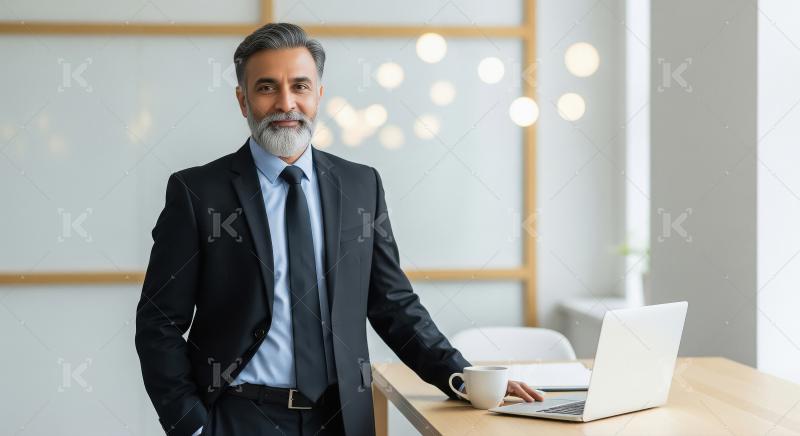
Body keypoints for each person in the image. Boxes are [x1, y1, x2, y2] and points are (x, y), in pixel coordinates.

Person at [135, 22, 543, 436]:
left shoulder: (361, 185)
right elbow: (158, 322)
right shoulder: (198, 192)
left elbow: (393, 304)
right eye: (266, 88)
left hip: (343, 419)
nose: (286, 103)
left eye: (300, 86)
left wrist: (463, 378)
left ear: (319, 94)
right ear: (243, 100)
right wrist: (191, 425)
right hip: (237, 419)